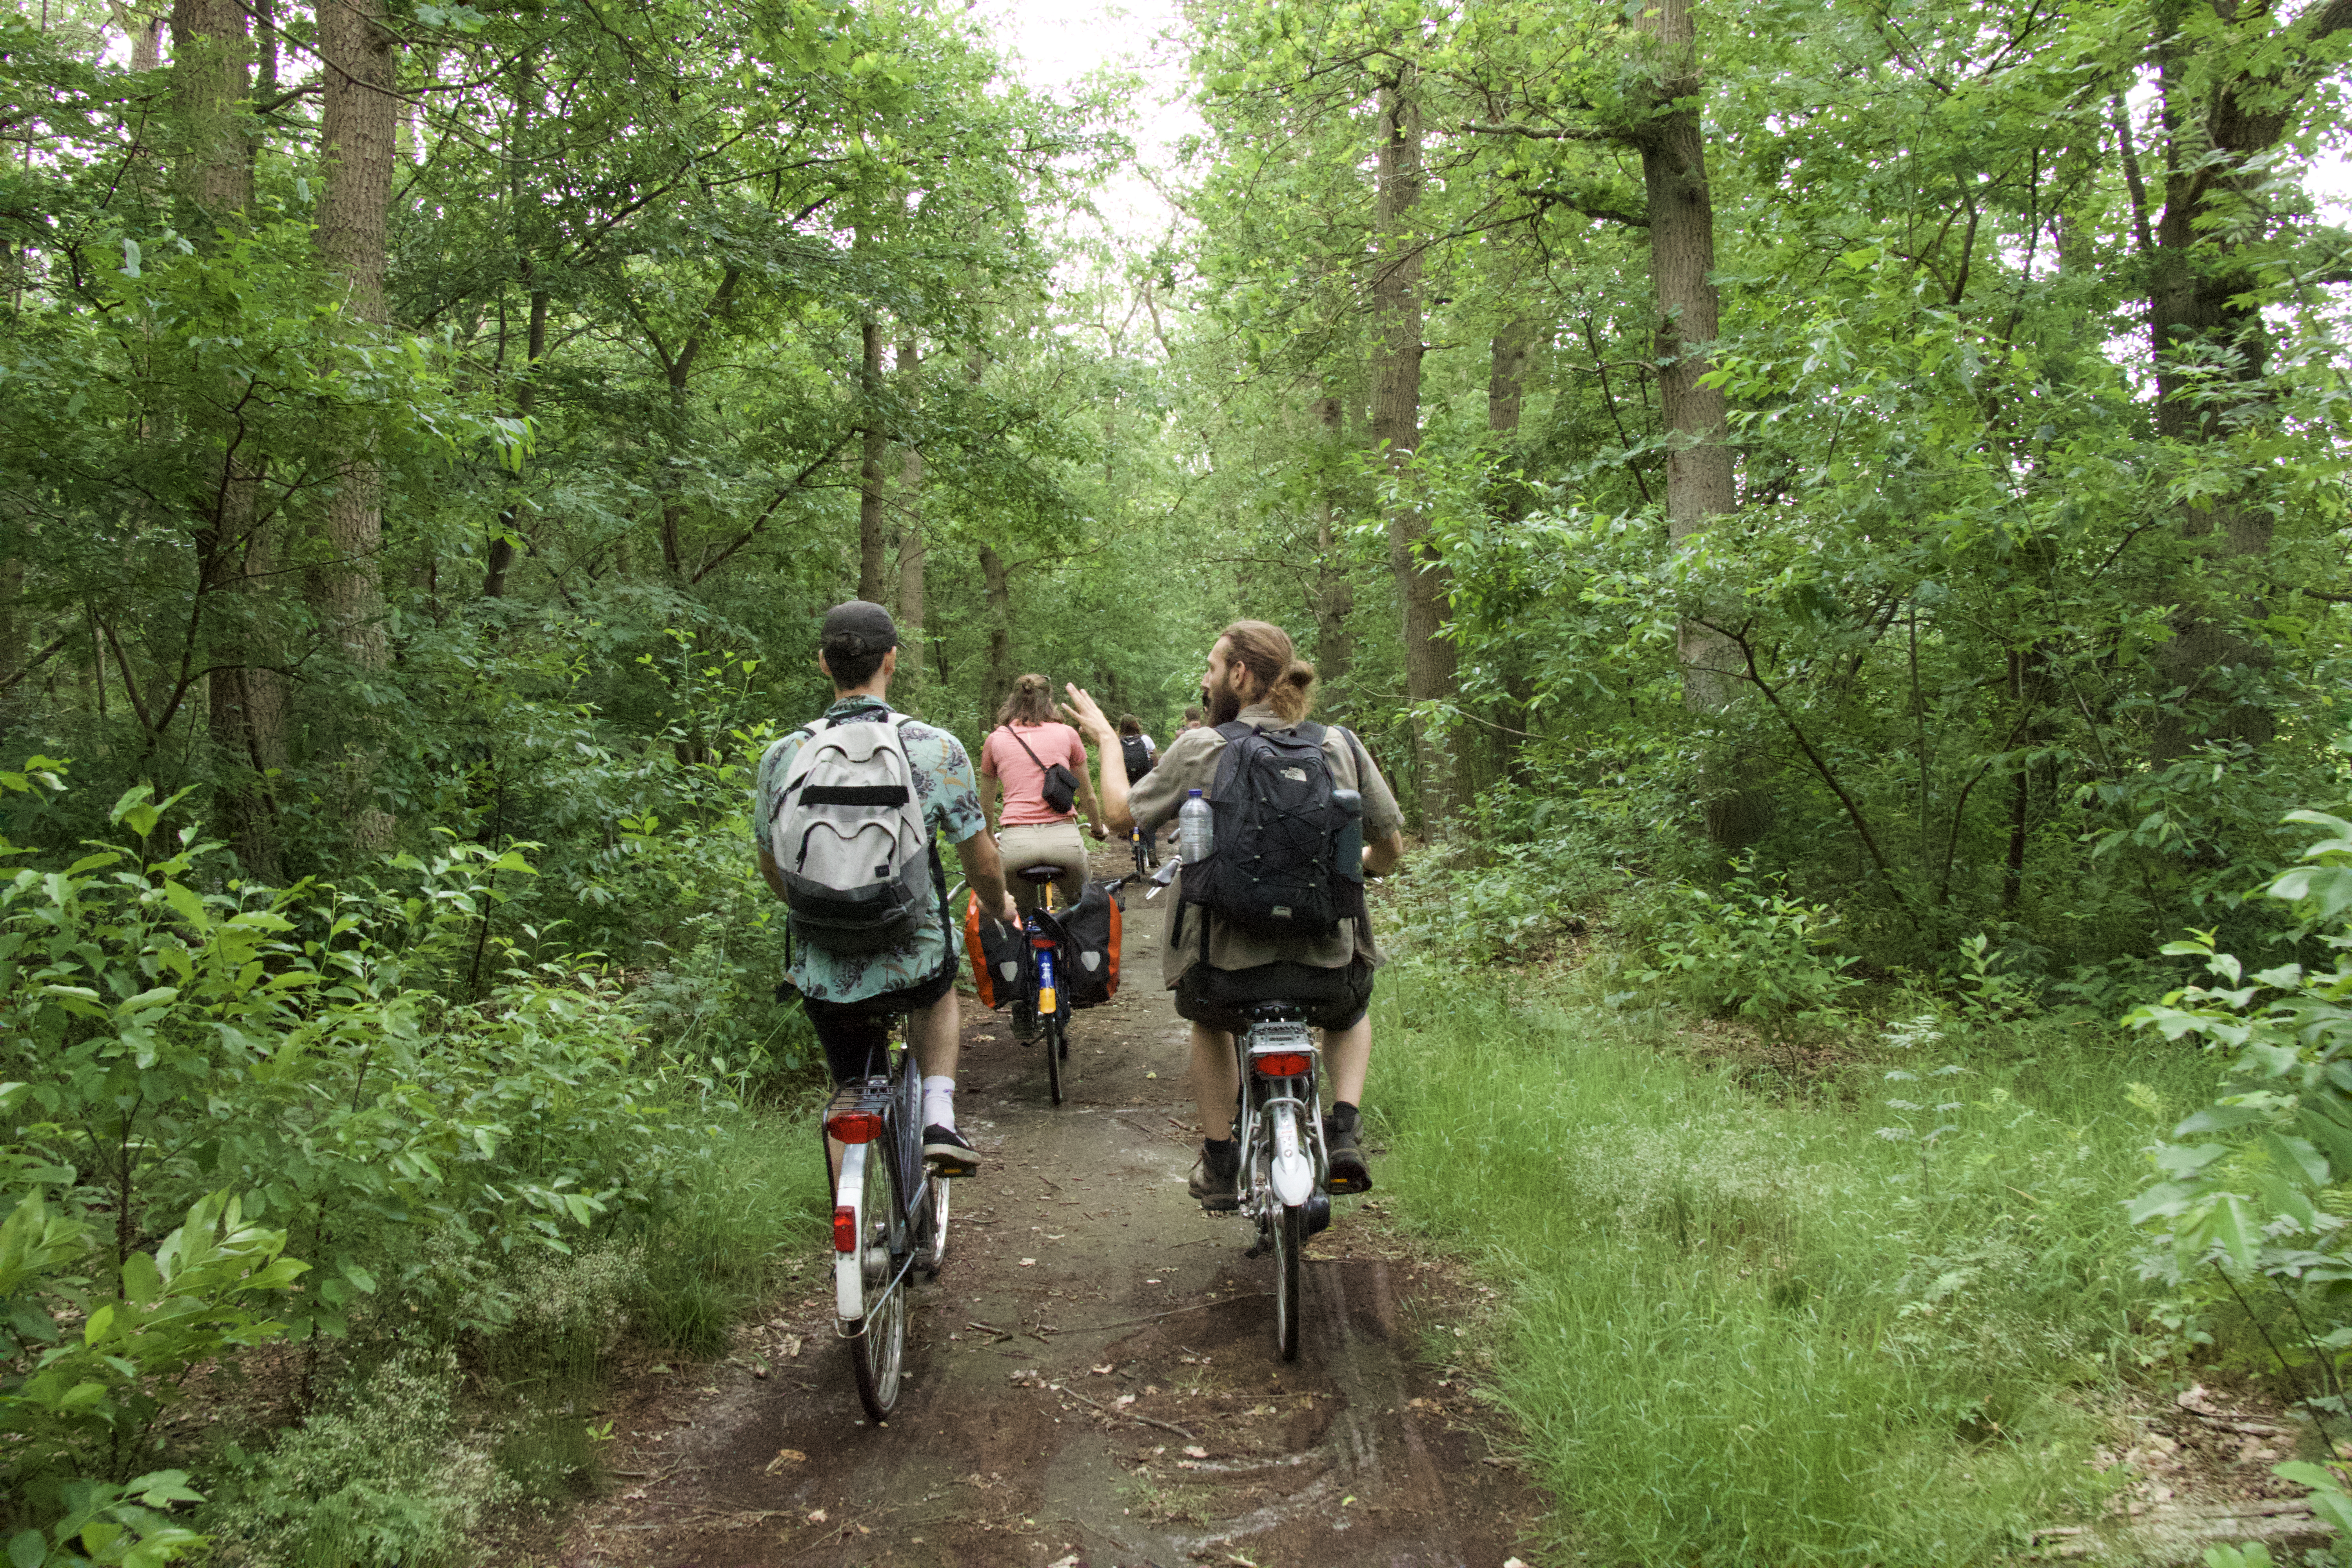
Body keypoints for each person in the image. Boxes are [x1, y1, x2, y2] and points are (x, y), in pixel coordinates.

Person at [1062, 621, 1405, 1206]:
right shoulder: (1339, 745)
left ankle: (1221, 1158)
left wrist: (1101, 739)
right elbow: (1392, 848)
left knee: (1211, 1023)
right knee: (1350, 1014)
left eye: (1212, 667)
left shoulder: (1204, 748)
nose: (1205, 678)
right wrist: (1356, 870)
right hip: (1327, 965)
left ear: (1240, 676)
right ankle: (1343, 1128)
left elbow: (1120, 818)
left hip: (1226, 970)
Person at [754, 601, 1015, 1179]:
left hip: (823, 961)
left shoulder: (782, 756)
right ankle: (939, 1119)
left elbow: (774, 868)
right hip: (909, 952)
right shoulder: (936, 749)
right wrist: (999, 907)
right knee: (938, 981)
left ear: (824, 664)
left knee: (850, 1089)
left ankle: (845, 1239)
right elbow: (982, 863)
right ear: (891, 661)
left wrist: (827, 910)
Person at [980, 672, 1109, 917]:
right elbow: (1089, 795)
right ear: (1048, 700)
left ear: (1013, 701)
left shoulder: (996, 739)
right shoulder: (1068, 734)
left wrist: (989, 839)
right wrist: (1097, 829)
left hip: (1017, 845)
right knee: (1084, 914)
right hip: (1064, 842)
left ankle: (1026, 949)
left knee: (1023, 921)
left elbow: (985, 806)